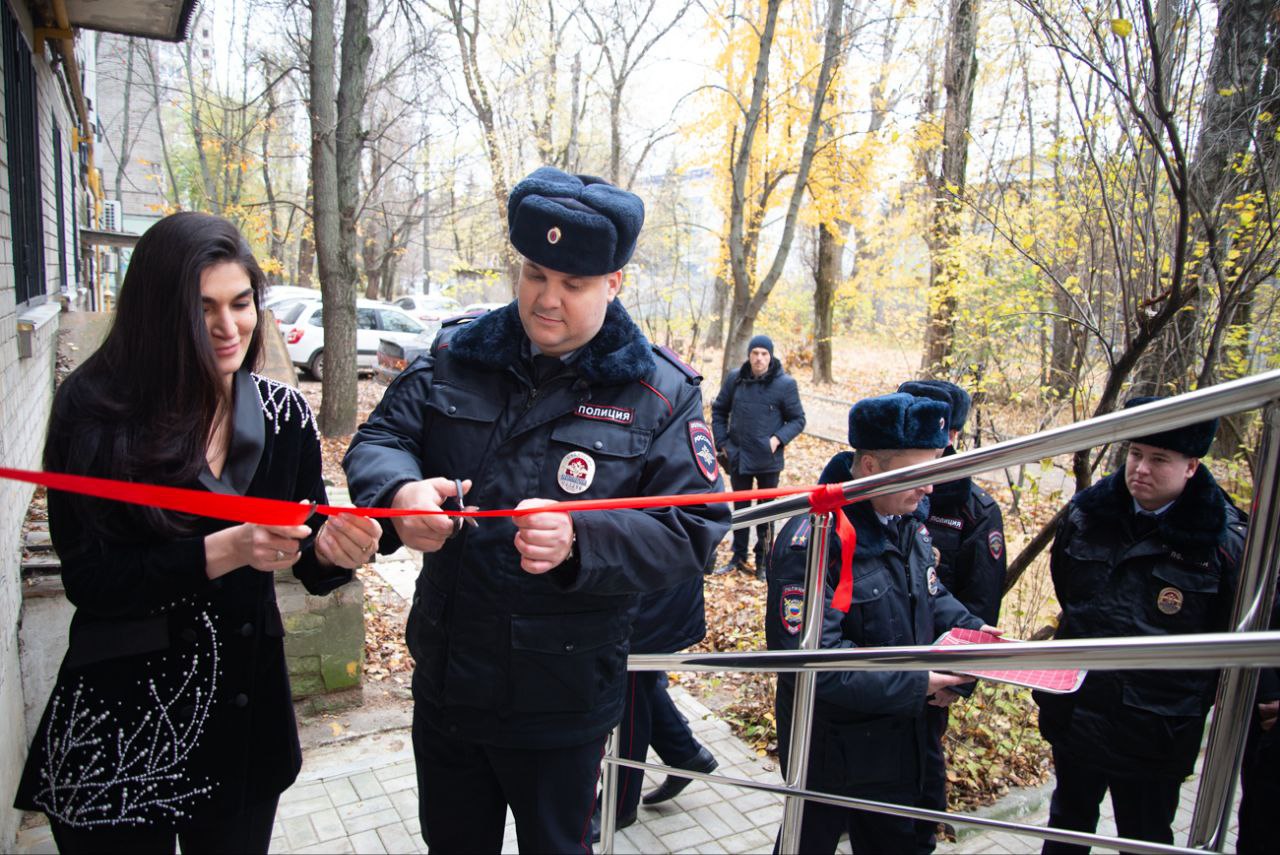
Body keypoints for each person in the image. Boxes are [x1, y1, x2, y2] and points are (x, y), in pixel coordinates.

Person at [342, 166, 730, 854]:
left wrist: (584, 538)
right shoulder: (460, 351)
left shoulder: (660, 392)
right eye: (533, 274)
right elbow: (381, 438)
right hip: (449, 688)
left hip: (565, 705)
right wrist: (399, 493)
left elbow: (697, 528)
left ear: (614, 283)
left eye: (572, 285)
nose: (546, 300)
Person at [13, 212, 382, 853]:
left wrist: (335, 550)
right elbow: (91, 581)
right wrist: (224, 549)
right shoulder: (95, 411)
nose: (227, 326)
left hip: (241, 715)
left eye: (242, 304)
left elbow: (313, 550)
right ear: (158, 311)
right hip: (125, 727)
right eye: (202, 307)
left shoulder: (281, 413)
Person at [765, 392, 999, 854]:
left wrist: (978, 635)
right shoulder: (814, 537)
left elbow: (930, 594)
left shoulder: (903, 518)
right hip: (828, 747)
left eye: (936, 467)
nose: (931, 486)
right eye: (920, 471)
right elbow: (810, 661)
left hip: (895, 738)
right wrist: (918, 684)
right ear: (871, 466)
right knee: (804, 842)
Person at [1035, 397, 1246, 854]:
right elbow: (1067, 590)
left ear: (1191, 466)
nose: (1140, 469)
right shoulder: (1088, 514)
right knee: (1067, 824)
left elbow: (1234, 631)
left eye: (1158, 459)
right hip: (1079, 711)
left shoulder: (1222, 542)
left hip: (1155, 728)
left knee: (1146, 837)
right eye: (1134, 454)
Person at [897, 379, 1006, 853]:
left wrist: (960, 679)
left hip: (936, 661)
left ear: (952, 437)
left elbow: (980, 602)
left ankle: (922, 832)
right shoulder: (883, 492)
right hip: (885, 653)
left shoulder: (975, 511)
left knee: (922, 757)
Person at [590, 575, 718, 841]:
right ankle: (684, 753)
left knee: (629, 697)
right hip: (647, 593)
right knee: (637, 686)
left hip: (648, 598)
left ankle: (619, 804)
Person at [710, 334, 806, 577]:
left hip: (768, 459)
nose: (759, 358)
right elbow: (719, 410)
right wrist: (722, 443)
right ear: (749, 355)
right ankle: (738, 556)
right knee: (741, 509)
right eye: (755, 353)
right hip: (738, 456)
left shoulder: (785, 384)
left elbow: (798, 419)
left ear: (770, 356)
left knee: (766, 511)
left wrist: (777, 439)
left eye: (764, 354)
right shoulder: (736, 378)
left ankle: (764, 561)